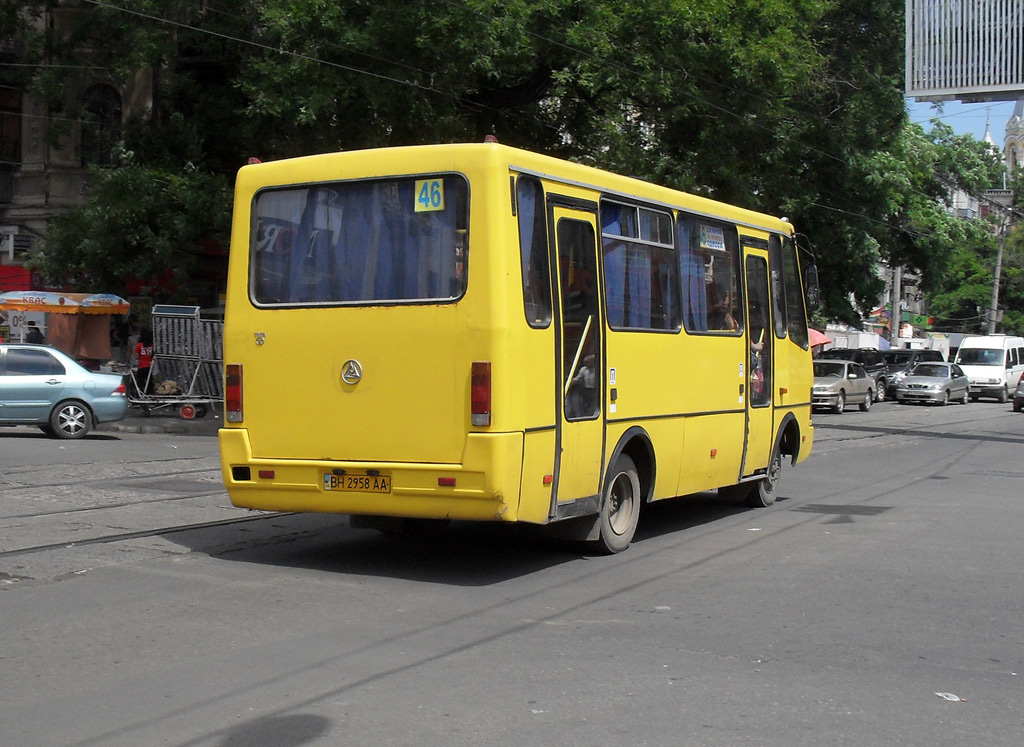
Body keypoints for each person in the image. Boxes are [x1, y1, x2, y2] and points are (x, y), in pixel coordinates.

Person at [131, 328, 155, 395]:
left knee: (140, 381)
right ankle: (149, 393)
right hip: (149, 366)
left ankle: (140, 394)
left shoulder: (139, 345)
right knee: (149, 381)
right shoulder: (152, 345)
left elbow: (136, 356)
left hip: (141, 366)